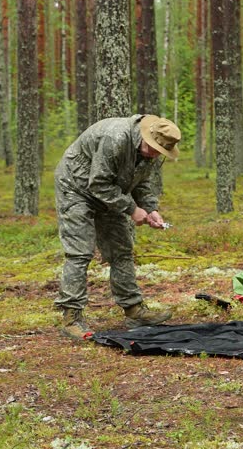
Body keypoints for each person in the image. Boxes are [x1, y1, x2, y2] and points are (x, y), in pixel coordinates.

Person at [53, 115, 181, 339]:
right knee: (80, 252)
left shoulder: (149, 152)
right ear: (146, 136)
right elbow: (98, 183)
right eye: (153, 148)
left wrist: (150, 208)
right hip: (76, 188)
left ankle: (134, 310)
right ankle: (71, 317)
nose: (155, 154)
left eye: (160, 151)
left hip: (111, 191)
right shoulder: (116, 138)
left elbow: (142, 182)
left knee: (122, 249)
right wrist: (132, 209)